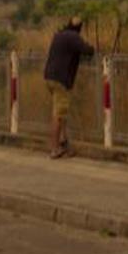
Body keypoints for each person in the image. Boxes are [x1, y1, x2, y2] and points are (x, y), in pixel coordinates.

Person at [42, 16, 94, 159]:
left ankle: (64, 144)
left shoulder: (59, 35)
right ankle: (54, 148)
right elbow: (87, 50)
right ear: (79, 28)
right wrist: (93, 48)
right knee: (59, 115)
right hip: (61, 80)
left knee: (61, 113)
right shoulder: (73, 37)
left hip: (49, 77)